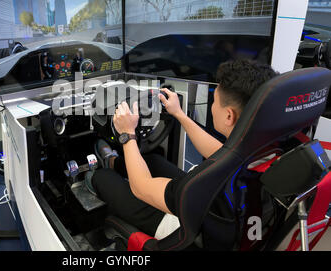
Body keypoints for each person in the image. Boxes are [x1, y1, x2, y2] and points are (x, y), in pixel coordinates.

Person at [90, 59, 279, 243]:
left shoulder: (201, 185)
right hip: (223, 220)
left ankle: (107, 167)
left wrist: (127, 134)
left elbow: (141, 187)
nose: (213, 105)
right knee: (153, 161)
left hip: (184, 230)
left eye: (214, 100)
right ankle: (114, 161)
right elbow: (219, 151)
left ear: (229, 115)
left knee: (103, 177)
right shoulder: (265, 154)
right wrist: (178, 113)